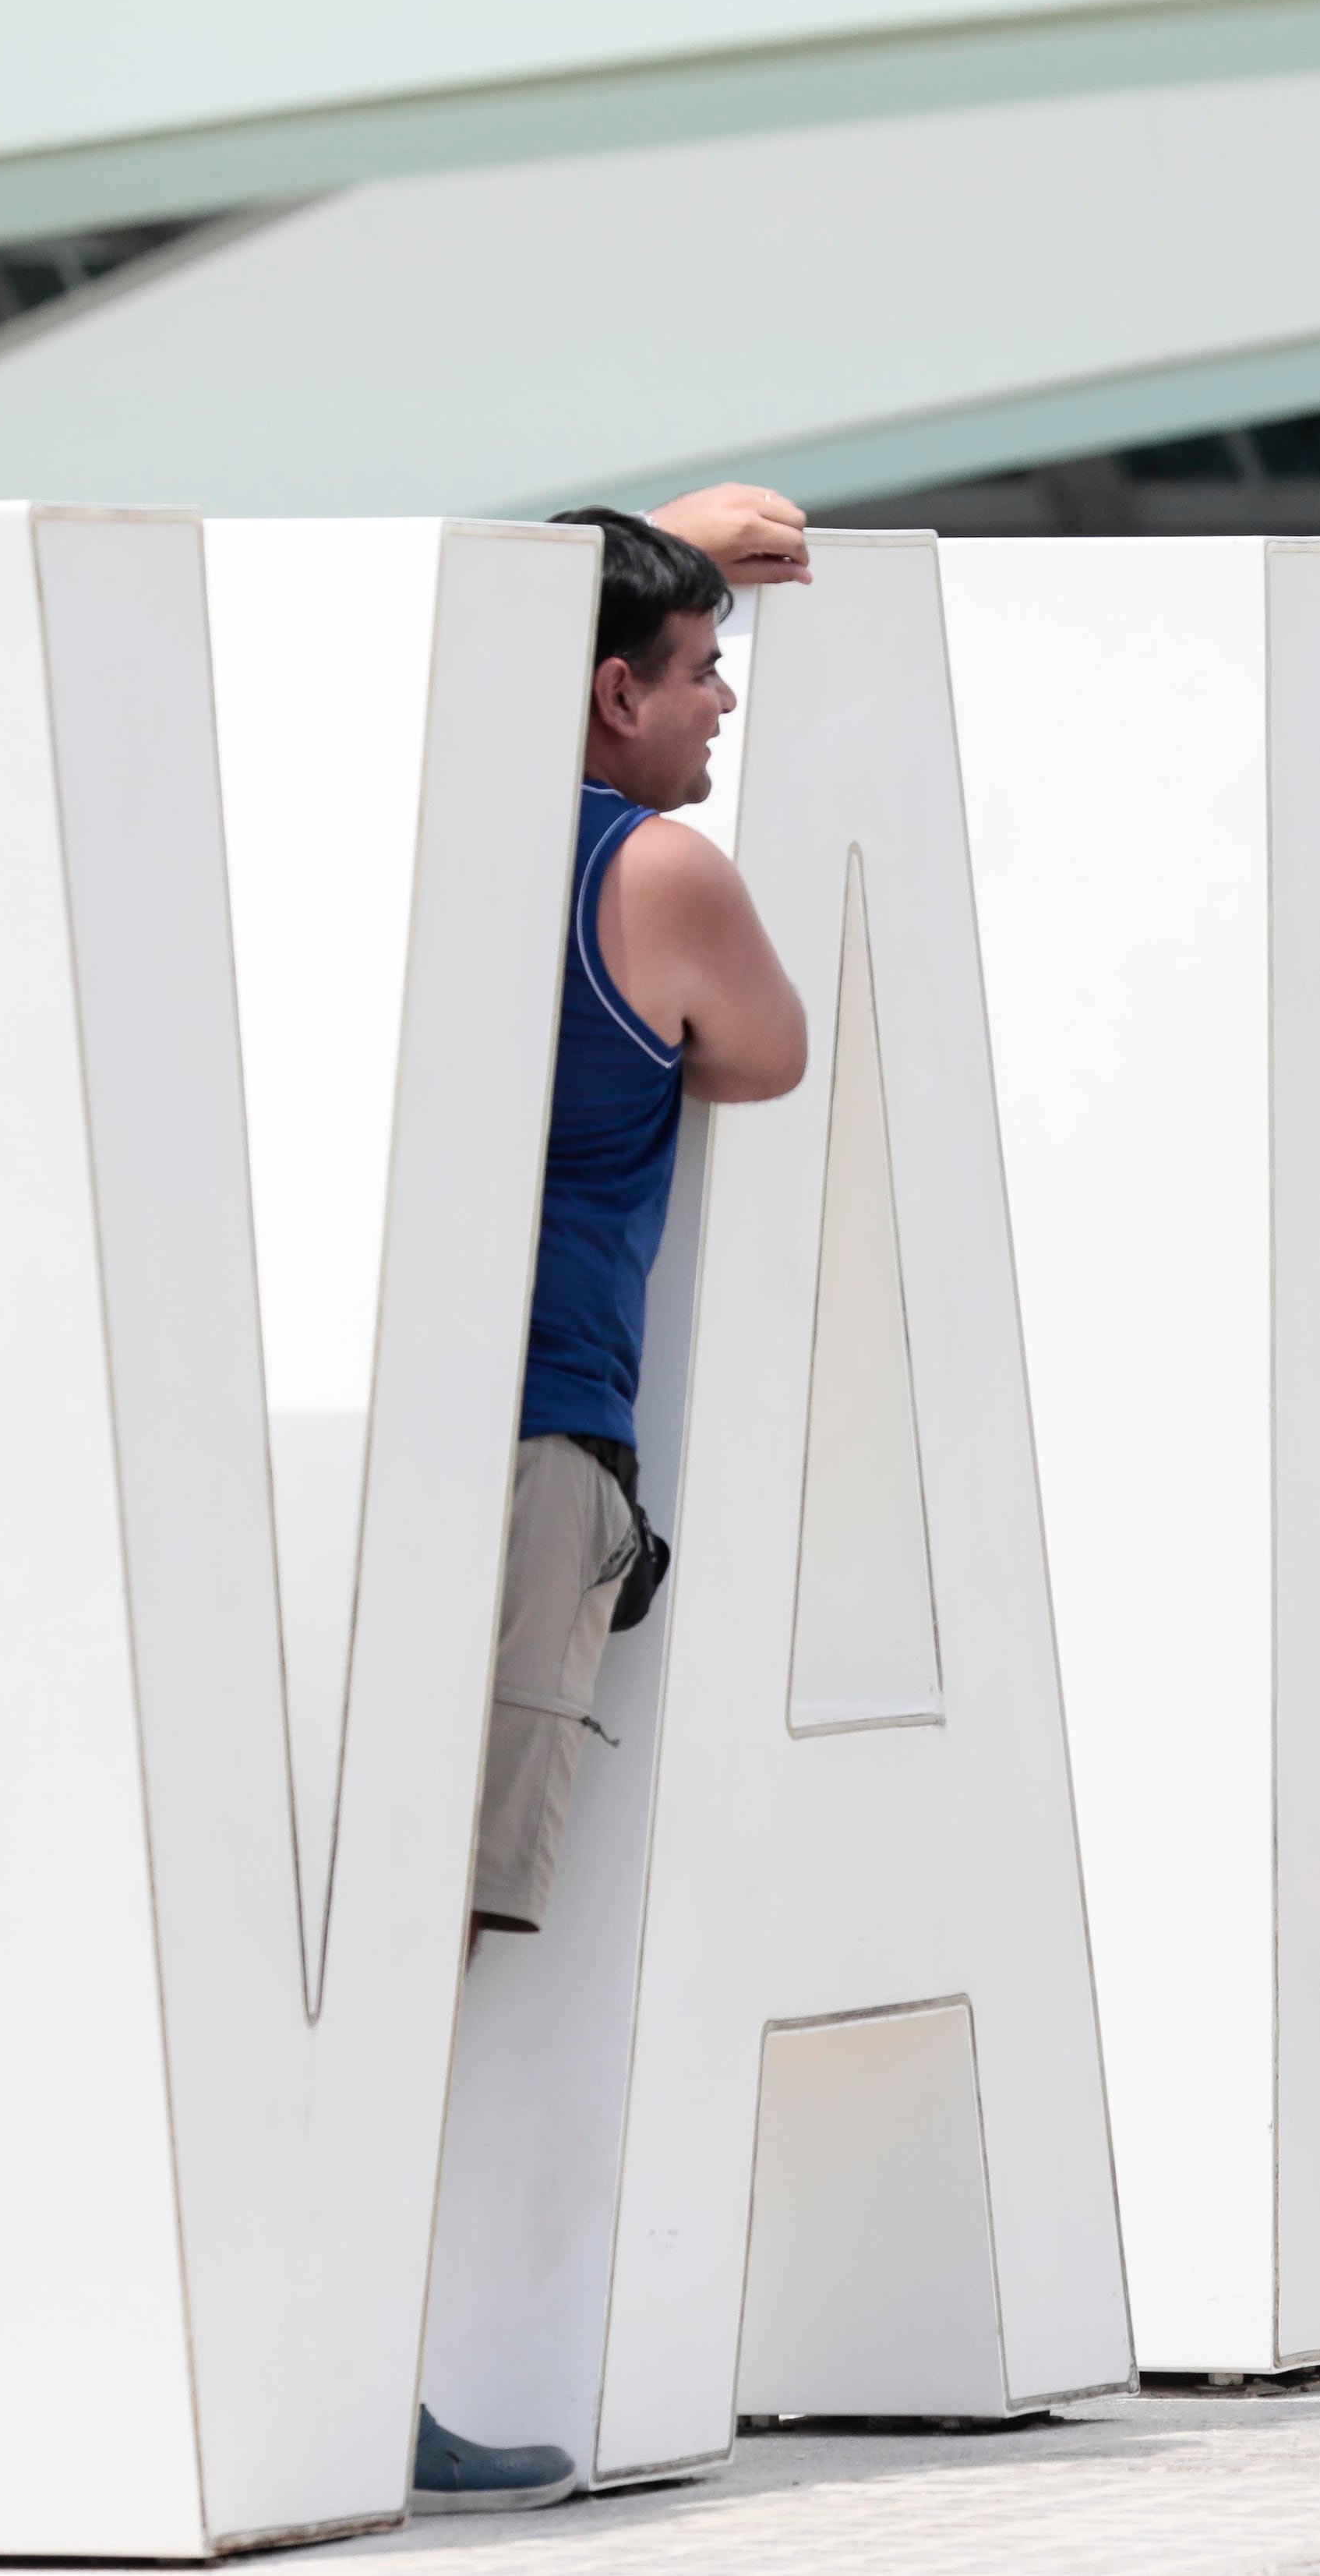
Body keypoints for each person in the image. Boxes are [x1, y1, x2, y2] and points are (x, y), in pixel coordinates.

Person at [416, 490, 813, 2515]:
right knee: (441, 1926)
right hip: (535, 1446)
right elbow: (772, 1053)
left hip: (389, 1429)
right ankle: (357, 2361)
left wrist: (658, 530)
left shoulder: (424, 817)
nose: (723, 694)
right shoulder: (656, 868)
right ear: (610, 687)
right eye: (697, 661)